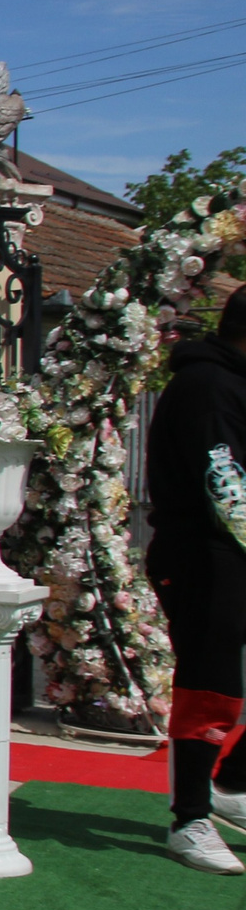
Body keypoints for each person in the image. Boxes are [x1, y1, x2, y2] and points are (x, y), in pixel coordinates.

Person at [144, 285, 246, 873]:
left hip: (232, 551)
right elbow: (225, 484)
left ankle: (231, 785)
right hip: (204, 553)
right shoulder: (209, 387)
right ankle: (191, 818)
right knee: (211, 683)